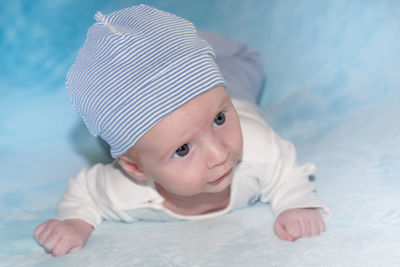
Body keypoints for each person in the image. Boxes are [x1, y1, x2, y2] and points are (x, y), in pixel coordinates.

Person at [34, 5, 330, 257]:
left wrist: (295, 204)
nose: (219, 153)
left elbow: (286, 171)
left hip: (232, 90)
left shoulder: (258, 148)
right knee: (112, 133)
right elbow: (85, 191)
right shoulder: (125, 190)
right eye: (183, 149)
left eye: (219, 120)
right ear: (134, 169)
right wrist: (75, 223)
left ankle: (186, 49)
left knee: (242, 61)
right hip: (175, 123)